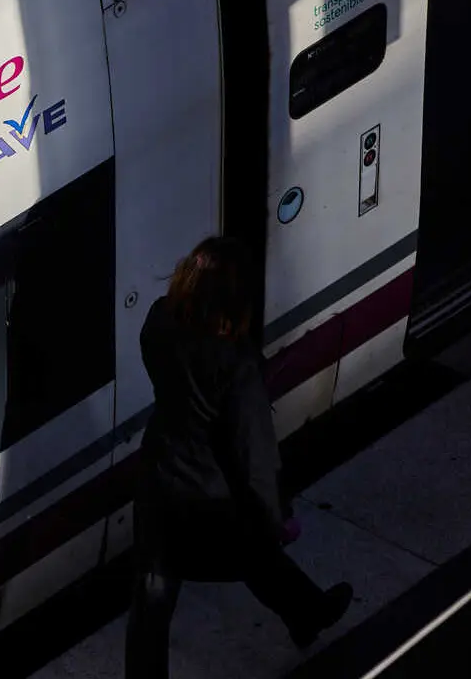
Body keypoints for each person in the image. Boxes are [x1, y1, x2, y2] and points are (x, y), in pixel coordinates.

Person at [125, 236, 353, 678]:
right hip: (211, 495)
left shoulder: (159, 321)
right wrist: (274, 515)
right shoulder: (237, 364)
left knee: (152, 596)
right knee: (256, 556)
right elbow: (253, 453)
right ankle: (309, 614)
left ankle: (309, 613)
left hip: (160, 478)